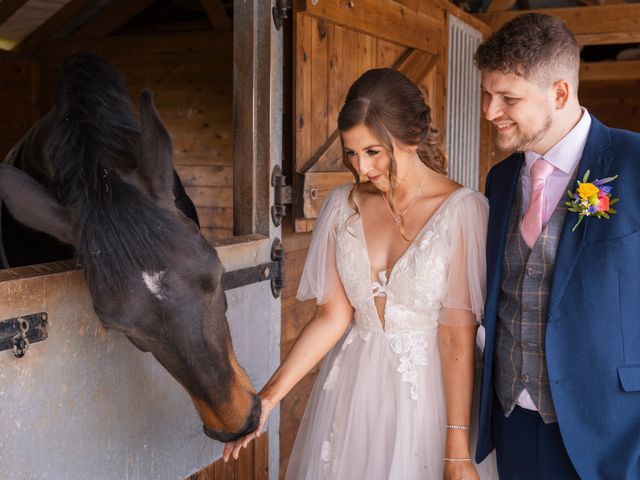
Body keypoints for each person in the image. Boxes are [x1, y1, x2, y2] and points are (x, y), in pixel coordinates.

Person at [223, 68, 497, 479]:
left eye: (373, 151)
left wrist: (457, 449)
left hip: (431, 396)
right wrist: (268, 397)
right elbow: (333, 315)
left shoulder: (464, 210)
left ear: (413, 135)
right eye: (351, 153)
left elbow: (456, 331)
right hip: (354, 391)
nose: (361, 167)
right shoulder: (340, 206)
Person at [475, 12, 640, 480]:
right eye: (488, 95)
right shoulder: (501, 179)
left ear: (560, 93)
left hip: (614, 429)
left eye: (507, 97)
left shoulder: (635, 161)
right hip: (512, 421)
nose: (490, 111)